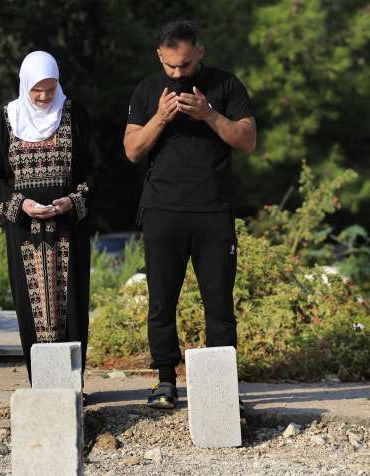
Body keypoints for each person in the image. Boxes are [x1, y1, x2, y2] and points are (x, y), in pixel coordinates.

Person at [124, 21, 256, 409]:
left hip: (213, 210)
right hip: (162, 210)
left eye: (184, 65)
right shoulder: (148, 91)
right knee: (161, 301)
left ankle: (220, 387)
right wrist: (161, 118)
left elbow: (248, 140)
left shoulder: (227, 86)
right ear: (159, 57)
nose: (178, 74)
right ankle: (166, 381)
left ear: (200, 51)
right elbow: (132, 150)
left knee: (219, 302)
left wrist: (210, 114)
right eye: (170, 67)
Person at [0, 51, 102, 403]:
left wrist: (72, 200)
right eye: (37, 90)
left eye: (50, 89)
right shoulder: (7, 120)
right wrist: (20, 205)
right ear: (25, 86)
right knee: (31, 308)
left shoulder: (74, 115)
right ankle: (44, 387)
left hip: (68, 230)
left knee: (73, 305)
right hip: (25, 235)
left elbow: (97, 170)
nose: (44, 97)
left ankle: (73, 387)